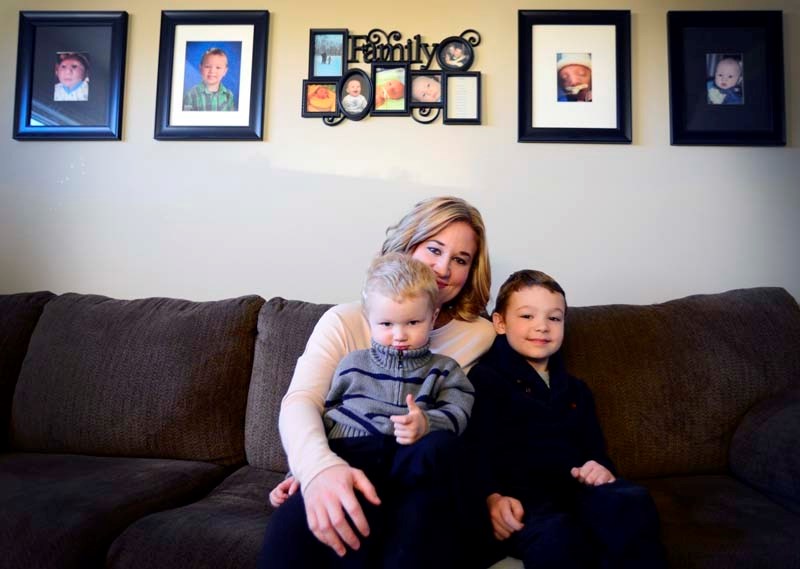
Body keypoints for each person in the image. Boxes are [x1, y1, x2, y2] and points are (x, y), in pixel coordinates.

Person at [260, 196, 495, 568]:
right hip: (351, 456)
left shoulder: (477, 334)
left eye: (460, 260)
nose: (444, 268)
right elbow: (304, 402)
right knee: (297, 533)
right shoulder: (346, 321)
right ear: (407, 244)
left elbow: (472, 415)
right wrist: (313, 468)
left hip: (419, 467)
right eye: (434, 249)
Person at [467, 270, 666, 569]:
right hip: (525, 500)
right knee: (557, 538)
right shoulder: (486, 380)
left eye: (554, 318)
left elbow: (595, 449)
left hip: (577, 489)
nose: (542, 327)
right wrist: (491, 496)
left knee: (631, 501)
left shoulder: (576, 389)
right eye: (527, 316)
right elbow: (475, 451)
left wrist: (600, 468)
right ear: (499, 322)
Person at [183, 47, 236, 112]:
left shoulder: (229, 96)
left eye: (218, 67)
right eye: (207, 66)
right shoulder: (190, 95)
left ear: (225, 71)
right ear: (200, 68)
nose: (212, 71)